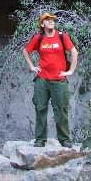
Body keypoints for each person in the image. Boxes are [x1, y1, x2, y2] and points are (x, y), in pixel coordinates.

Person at [22, 12, 78, 148]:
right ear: (42, 24)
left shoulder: (62, 36)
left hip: (59, 80)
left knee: (61, 109)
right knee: (40, 108)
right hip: (42, 80)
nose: (51, 22)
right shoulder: (38, 38)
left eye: (52, 20)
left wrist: (70, 71)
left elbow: (74, 52)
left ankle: (64, 139)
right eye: (47, 20)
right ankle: (40, 140)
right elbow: (25, 51)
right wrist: (32, 66)